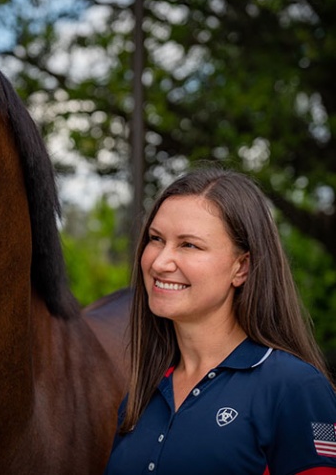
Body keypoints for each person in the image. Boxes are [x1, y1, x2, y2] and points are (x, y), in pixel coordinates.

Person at [104, 166, 336, 475]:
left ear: (241, 267)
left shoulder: (296, 388)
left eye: (189, 245)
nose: (159, 262)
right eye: (156, 239)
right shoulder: (141, 396)